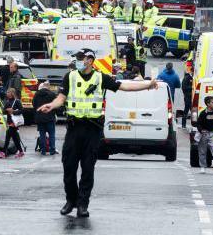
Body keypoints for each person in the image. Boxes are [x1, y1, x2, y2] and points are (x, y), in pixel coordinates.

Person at [36, 48, 158, 218]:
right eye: (77, 58)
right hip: (74, 128)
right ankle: (71, 200)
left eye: (81, 58)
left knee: (88, 169)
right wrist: (52, 105)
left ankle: (82, 205)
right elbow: (61, 98)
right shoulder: (69, 76)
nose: (78, 61)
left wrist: (148, 84)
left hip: (92, 130)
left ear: (90, 60)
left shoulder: (101, 78)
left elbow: (125, 86)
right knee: (68, 167)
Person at [33, 81, 58, 155]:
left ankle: (43, 150)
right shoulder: (52, 94)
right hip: (50, 117)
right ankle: (52, 150)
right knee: (52, 134)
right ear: (48, 87)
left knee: (42, 135)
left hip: (40, 118)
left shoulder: (36, 94)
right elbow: (56, 106)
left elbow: (34, 104)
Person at [0, 88, 26, 158]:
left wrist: (13, 112)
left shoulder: (17, 101)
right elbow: (3, 111)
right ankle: (20, 151)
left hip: (14, 122)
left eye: (8, 92)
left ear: (12, 93)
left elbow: (22, 110)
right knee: (15, 138)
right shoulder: (7, 101)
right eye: (7, 92)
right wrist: (7, 110)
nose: (7, 94)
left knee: (8, 136)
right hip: (10, 121)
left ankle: (3, 152)